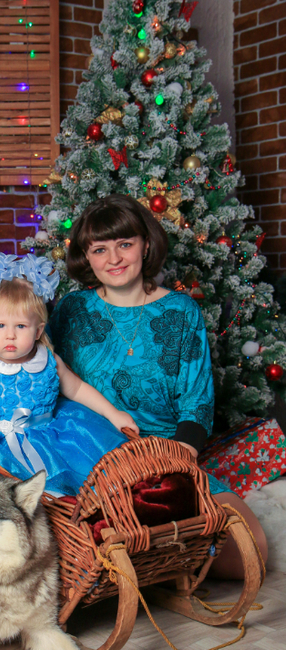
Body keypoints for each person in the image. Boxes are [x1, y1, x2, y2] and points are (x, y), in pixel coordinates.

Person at [49, 194, 268, 578]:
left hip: (166, 454)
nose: (114, 259)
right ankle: (143, 561)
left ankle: (156, 562)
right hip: (91, 455)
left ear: (146, 244)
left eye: (125, 244)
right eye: (100, 249)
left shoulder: (182, 311)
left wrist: (175, 465)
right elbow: (34, 366)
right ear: (86, 257)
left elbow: (197, 403)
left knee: (252, 554)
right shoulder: (71, 309)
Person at [0, 252, 139, 497]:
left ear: (38, 331)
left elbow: (78, 389)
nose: (10, 335)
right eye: (0, 326)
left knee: (90, 468)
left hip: (48, 437)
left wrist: (113, 414)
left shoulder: (49, 361)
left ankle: (71, 500)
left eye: (21, 326)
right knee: (7, 492)